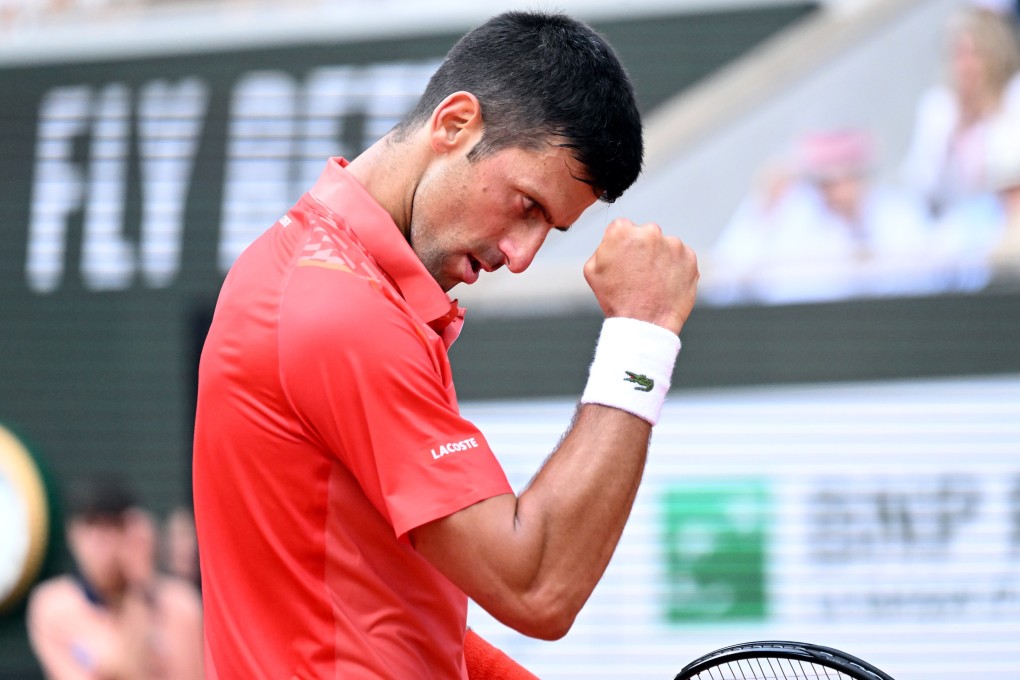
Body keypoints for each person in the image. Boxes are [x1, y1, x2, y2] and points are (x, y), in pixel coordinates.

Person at [192, 9, 698, 680]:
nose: (522, 256)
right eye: (527, 206)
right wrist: (642, 335)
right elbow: (537, 587)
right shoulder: (342, 314)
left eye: (552, 229)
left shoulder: (315, 273)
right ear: (455, 124)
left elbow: (394, 610)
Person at [26, 474, 205, 680]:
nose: (99, 540)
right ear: (72, 534)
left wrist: (140, 585)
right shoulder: (53, 606)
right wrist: (138, 588)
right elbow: (124, 674)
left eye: (112, 526)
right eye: (90, 526)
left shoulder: (182, 604)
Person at [900, 4, 1020, 218]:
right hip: (961, 225)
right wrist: (955, 135)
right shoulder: (938, 107)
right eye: (958, 55)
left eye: (975, 54)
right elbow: (920, 185)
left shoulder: (1013, 96)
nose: (966, 66)